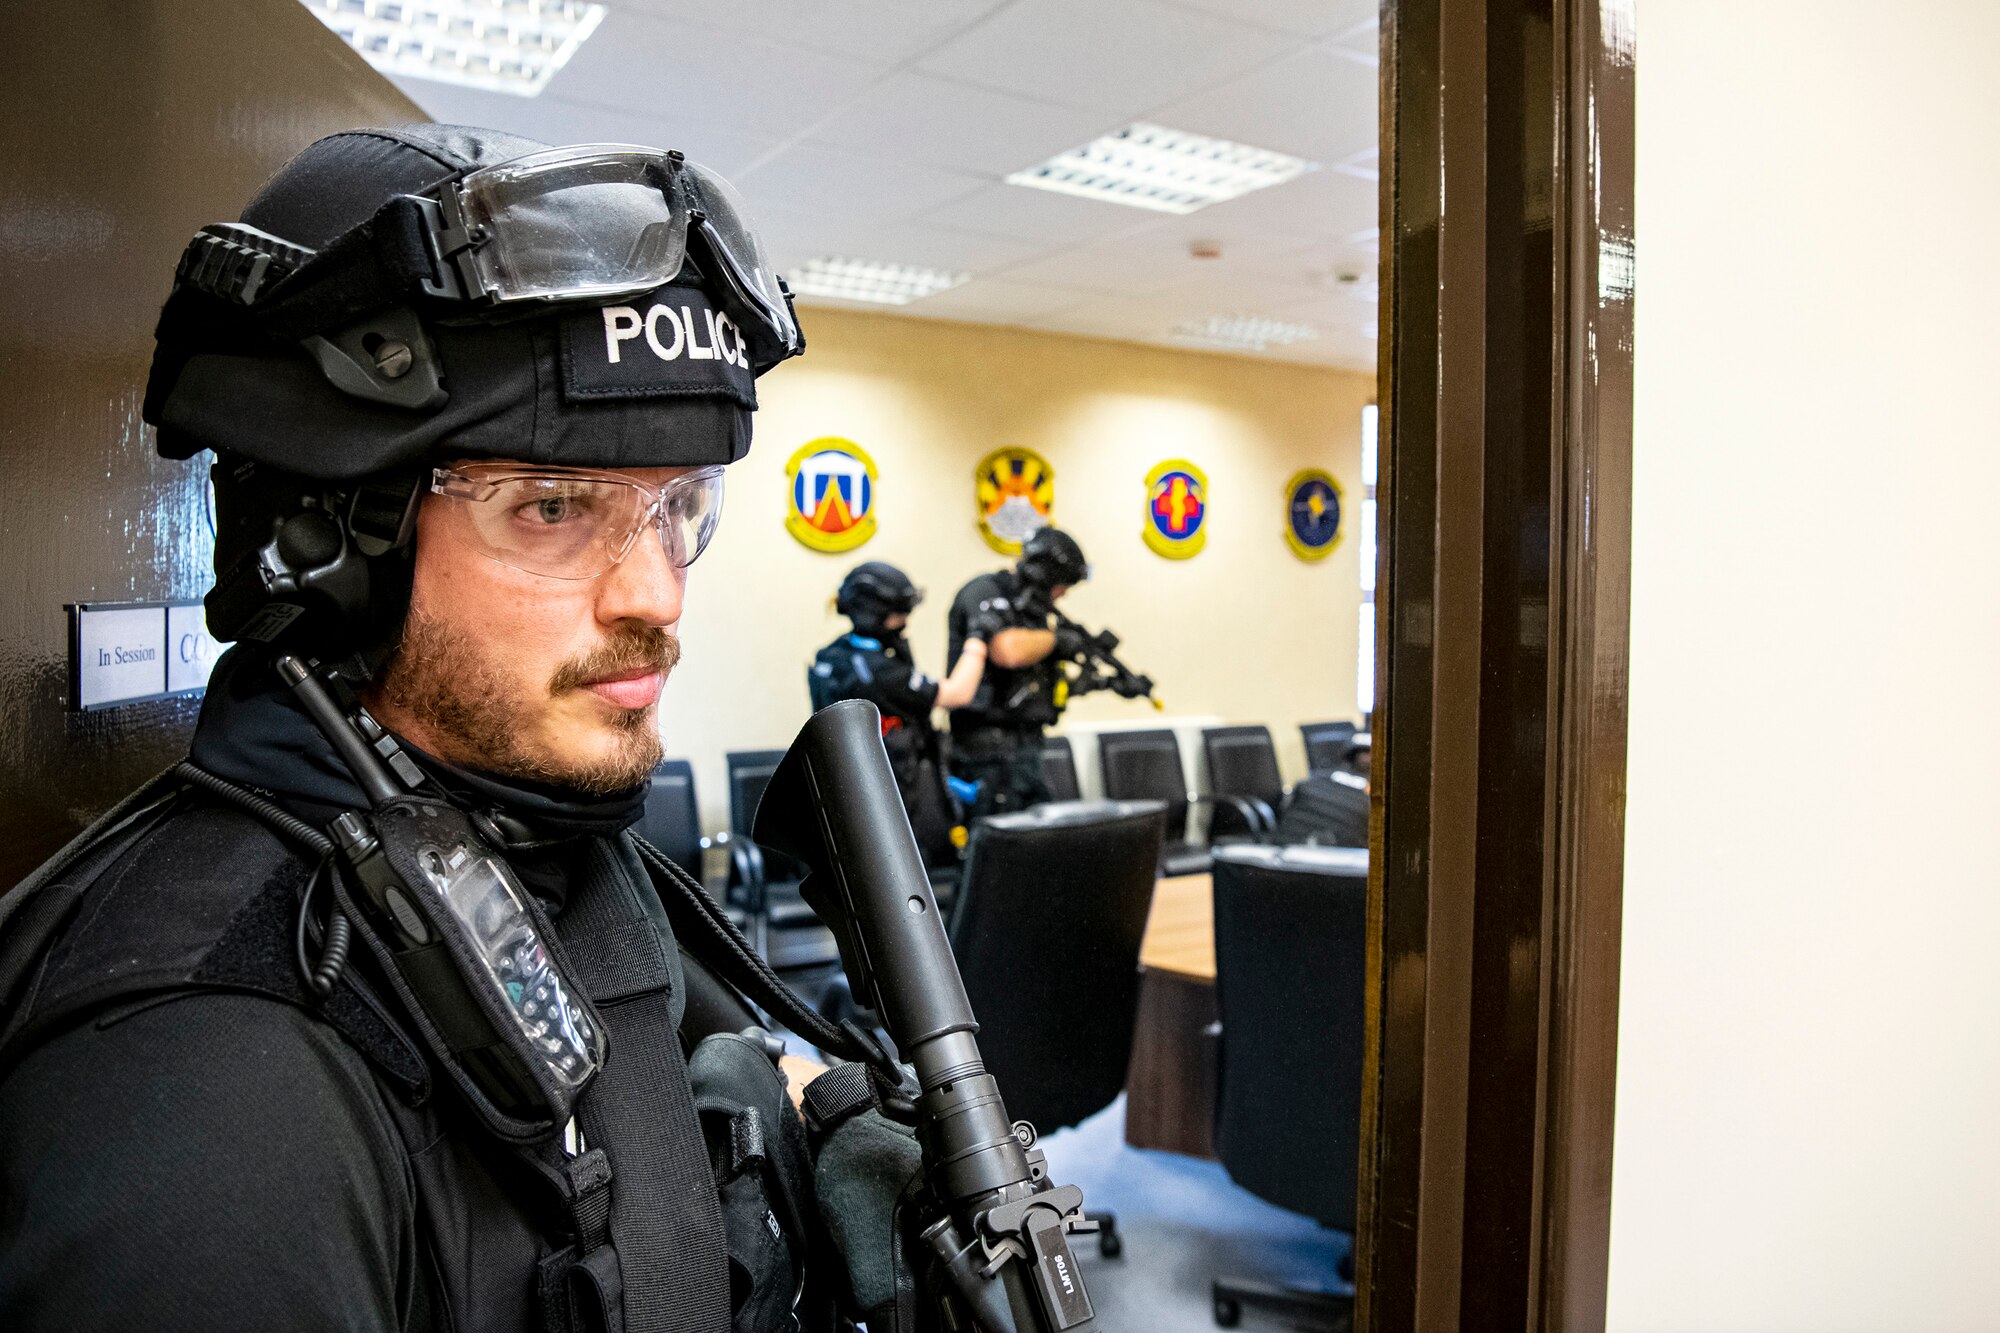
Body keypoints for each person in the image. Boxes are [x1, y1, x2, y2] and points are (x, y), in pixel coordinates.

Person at [0, 125, 842, 1333]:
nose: (653, 594)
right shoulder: (221, 1088)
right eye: (552, 507)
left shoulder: (546, 835)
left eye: (678, 508)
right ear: (331, 546)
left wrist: (805, 1123)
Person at [808, 561, 988, 869]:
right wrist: (977, 640)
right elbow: (958, 694)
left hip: (852, 802)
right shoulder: (879, 672)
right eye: (898, 615)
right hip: (888, 810)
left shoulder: (834, 657)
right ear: (874, 613)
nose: (904, 623)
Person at [943, 526, 1093, 819]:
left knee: (1038, 849)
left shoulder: (1033, 612)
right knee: (999, 850)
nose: (1062, 594)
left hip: (1026, 748)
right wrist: (1056, 640)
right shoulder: (984, 590)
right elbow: (1006, 650)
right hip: (987, 753)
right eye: (1061, 585)